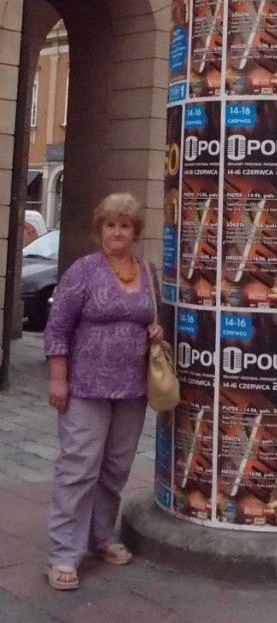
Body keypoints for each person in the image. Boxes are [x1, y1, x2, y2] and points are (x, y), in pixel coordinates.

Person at [43, 192, 164, 592]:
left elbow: (154, 318)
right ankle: (63, 554)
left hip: (131, 390)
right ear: (101, 229)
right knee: (79, 468)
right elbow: (57, 327)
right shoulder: (84, 270)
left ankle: (100, 538)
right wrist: (59, 379)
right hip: (85, 387)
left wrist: (155, 332)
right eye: (110, 224)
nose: (117, 232)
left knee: (114, 470)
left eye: (124, 225)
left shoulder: (147, 271)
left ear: (134, 231)